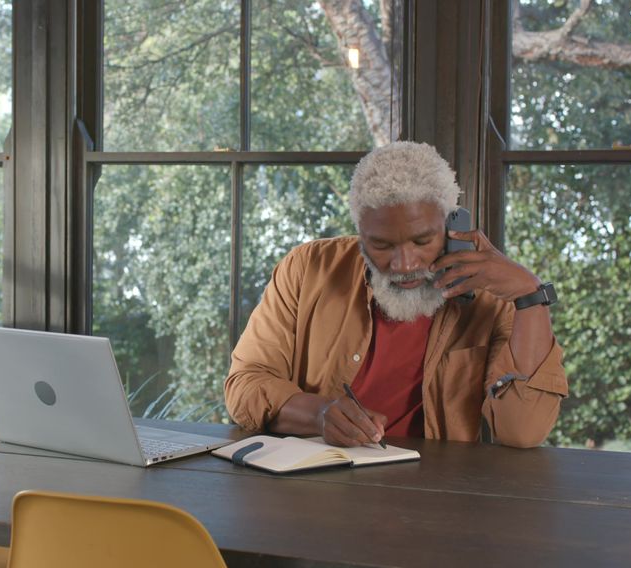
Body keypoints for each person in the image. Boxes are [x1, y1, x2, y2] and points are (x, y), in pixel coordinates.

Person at [224, 141, 567, 448]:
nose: (404, 264)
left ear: (452, 227)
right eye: (382, 245)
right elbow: (244, 386)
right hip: (316, 486)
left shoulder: (494, 299)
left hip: (437, 496)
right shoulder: (306, 268)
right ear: (360, 233)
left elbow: (523, 432)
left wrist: (530, 297)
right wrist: (319, 414)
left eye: (422, 241)